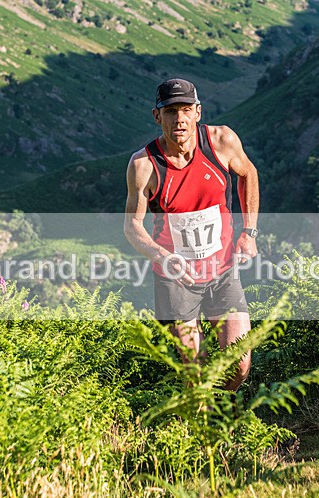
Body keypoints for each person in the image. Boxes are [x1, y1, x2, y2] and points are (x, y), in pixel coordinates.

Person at [124, 78, 260, 391]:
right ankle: (197, 432)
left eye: (186, 109)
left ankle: (218, 413)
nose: (179, 118)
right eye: (171, 111)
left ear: (198, 112)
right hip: (176, 277)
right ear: (158, 117)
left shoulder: (221, 141)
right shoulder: (144, 165)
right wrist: (161, 255)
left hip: (222, 270)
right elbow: (132, 226)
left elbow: (248, 173)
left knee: (238, 364)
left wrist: (249, 232)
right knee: (195, 371)